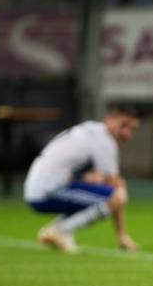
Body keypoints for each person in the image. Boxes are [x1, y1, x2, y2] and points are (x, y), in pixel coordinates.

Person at [23, 106, 141, 253]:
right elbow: (116, 189)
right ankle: (60, 231)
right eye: (123, 125)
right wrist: (121, 235)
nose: (127, 133)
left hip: (35, 189)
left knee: (95, 192)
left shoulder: (89, 129)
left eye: (132, 129)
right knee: (118, 196)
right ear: (108, 119)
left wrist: (89, 177)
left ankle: (58, 232)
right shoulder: (104, 140)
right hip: (48, 191)